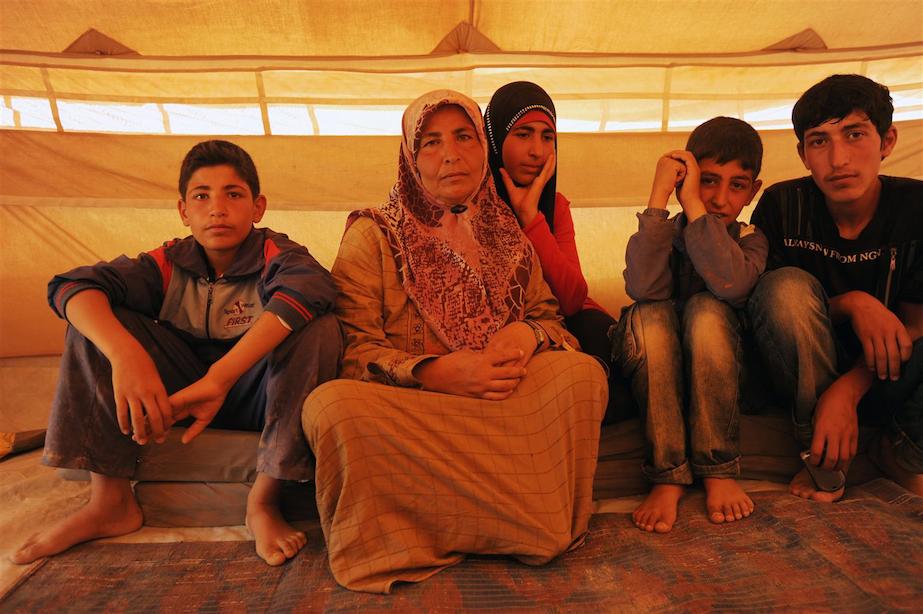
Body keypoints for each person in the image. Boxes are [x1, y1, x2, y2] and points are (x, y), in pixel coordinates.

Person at [302, 90, 607, 593]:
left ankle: (516, 525)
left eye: (464, 136)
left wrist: (526, 333)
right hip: (418, 406)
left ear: (482, 147)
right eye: (431, 142)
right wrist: (434, 372)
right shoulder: (373, 235)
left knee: (582, 374)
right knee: (331, 407)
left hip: (502, 396)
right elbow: (354, 351)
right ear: (409, 156)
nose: (451, 154)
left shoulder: (508, 232)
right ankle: (499, 522)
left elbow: (552, 319)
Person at [11, 140, 342, 567]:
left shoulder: (279, 255)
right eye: (202, 196)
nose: (217, 209)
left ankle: (263, 502)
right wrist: (127, 355)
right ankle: (110, 503)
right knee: (93, 321)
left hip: (256, 395)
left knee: (319, 328)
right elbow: (70, 286)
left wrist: (220, 378)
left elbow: (310, 289)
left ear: (258, 207)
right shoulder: (167, 263)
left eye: (233, 194)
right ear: (184, 211)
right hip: (180, 396)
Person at [748, 74, 923, 502]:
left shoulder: (915, 208)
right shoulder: (783, 205)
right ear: (803, 154)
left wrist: (848, 390)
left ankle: (900, 451)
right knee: (785, 288)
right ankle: (821, 456)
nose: (839, 158)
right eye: (820, 141)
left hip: (884, 370)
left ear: (887, 141)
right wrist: (853, 304)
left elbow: (918, 325)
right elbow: (765, 312)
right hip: (799, 370)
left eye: (855, 134)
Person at [611, 117, 767, 533]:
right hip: (658, 362)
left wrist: (694, 206)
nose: (718, 198)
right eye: (708, 181)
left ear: (754, 192)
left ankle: (718, 466)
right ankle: (667, 476)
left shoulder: (751, 239)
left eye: (737, 185)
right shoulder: (665, 231)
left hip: (721, 367)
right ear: (686, 180)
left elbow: (732, 285)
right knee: (650, 314)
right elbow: (643, 286)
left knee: (706, 310)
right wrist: (661, 196)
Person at [484, 82, 619, 395]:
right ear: (494, 139)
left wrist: (531, 218)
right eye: (523, 134)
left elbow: (572, 298)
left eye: (548, 137)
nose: (537, 151)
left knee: (605, 345)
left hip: (573, 323)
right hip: (521, 328)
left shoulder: (554, 206)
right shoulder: (470, 208)